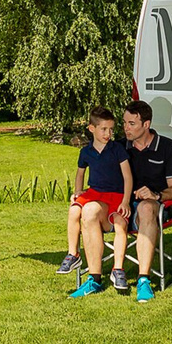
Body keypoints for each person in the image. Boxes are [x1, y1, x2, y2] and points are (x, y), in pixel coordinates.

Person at [115, 100, 172, 302]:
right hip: (120, 207)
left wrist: (156, 195)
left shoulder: (167, 147)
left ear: (146, 124)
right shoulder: (119, 147)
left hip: (154, 208)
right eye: (124, 123)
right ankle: (93, 278)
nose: (126, 128)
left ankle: (143, 279)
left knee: (146, 208)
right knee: (89, 209)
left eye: (132, 124)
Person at [58, 107, 133, 297]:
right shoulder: (86, 152)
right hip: (94, 193)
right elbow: (80, 174)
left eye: (111, 129)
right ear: (92, 128)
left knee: (120, 223)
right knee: (73, 210)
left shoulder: (117, 149)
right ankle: (73, 254)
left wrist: (125, 201)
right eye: (104, 129)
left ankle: (118, 269)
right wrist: (77, 192)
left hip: (115, 195)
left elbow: (127, 177)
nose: (108, 133)